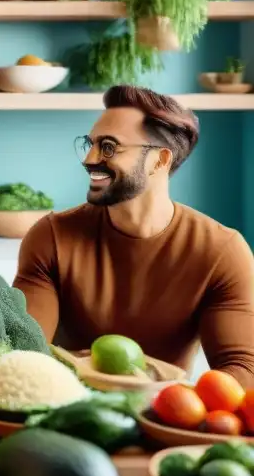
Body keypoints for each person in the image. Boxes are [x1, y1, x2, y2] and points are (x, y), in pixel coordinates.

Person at [13, 84, 254, 387]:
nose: (89, 158)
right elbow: (24, 354)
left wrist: (179, 404)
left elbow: (243, 369)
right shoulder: (51, 237)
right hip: (66, 408)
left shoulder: (222, 251)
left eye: (109, 146)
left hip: (168, 415)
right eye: (90, 143)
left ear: (160, 160)